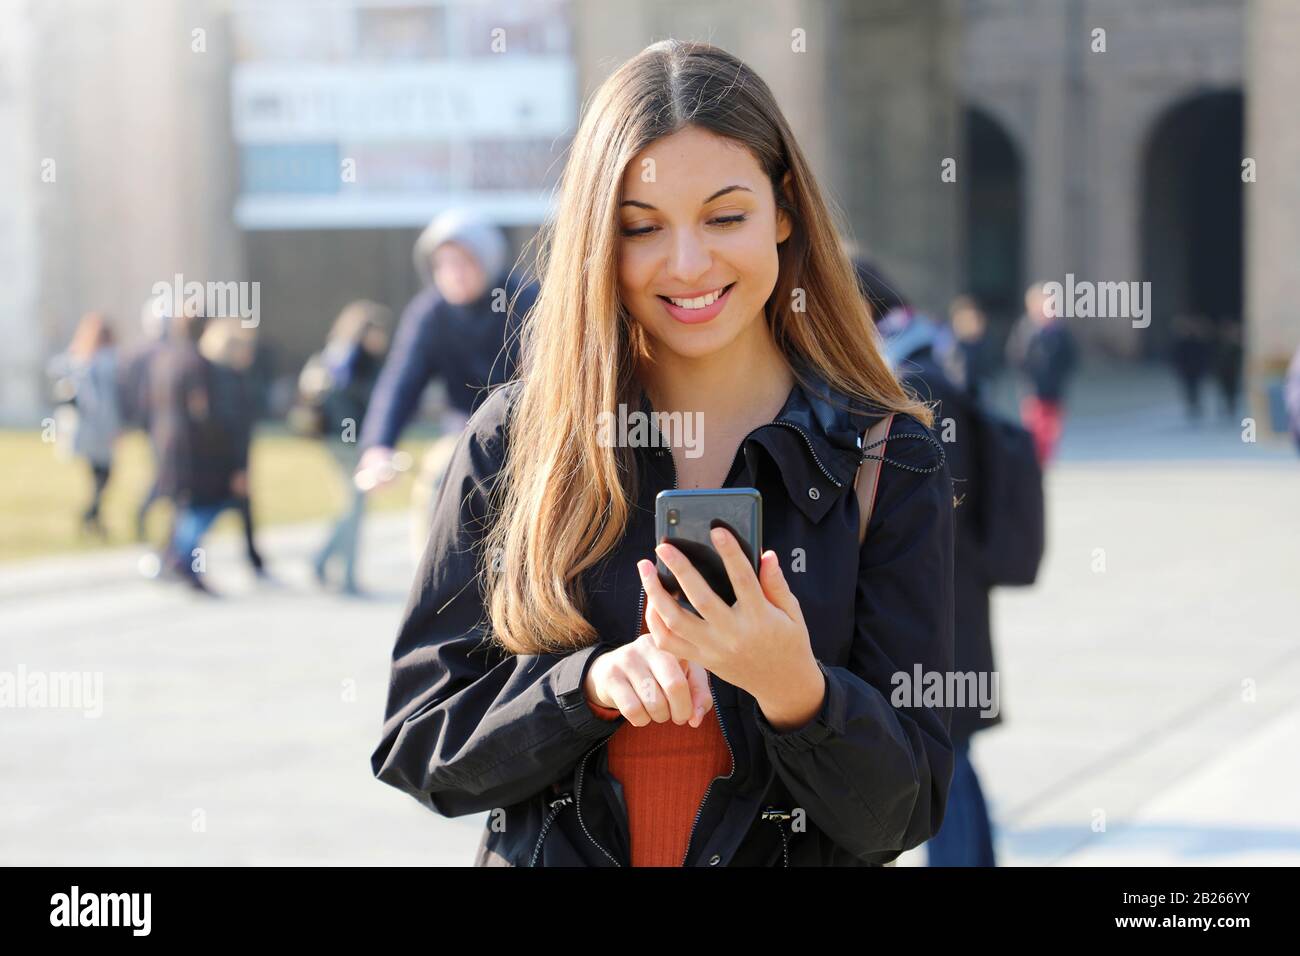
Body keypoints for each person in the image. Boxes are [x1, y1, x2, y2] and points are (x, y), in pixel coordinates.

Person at [371, 40, 956, 867]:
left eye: (725, 217)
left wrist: (796, 689)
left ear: (784, 210)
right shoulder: (518, 440)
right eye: (642, 228)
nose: (687, 264)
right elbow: (423, 745)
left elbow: (905, 812)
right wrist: (587, 689)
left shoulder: (884, 456)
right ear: (596, 241)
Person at [856, 262, 1000, 867]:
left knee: (948, 755)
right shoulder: (924, 363)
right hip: (946, 599)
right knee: (954, 755)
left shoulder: (917, 381)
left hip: (943, 601)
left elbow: (944, 506)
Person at [354, 208, 538, 557]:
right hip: (463, 432)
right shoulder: (429, 314)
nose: (453, 274)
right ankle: (433, 579)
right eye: (443, 265)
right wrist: (379, 446)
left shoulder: (526, 300)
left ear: (487, 261)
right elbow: (400, 383)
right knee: (438, 482)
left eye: (464, 262)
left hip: (530, 433)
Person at [302, 300, 392, 594]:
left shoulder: (350, 356)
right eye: (377, 333)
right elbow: (343, 400)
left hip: (348, 440)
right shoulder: (348, 358)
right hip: (346, 442)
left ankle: (325, 562)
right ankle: (342, 574)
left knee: (354, 505)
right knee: (355, 505)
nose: (382, 339)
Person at [48, 312, 121, 537]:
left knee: (98, 475)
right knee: (104, 474)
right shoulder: (106, 361)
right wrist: (113, 428)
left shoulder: (78, 358)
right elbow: (102, 402)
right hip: (99, 428)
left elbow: (55, 369)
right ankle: (92, 516)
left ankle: (93, 518)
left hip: (84, 428)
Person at [1006, 281, 1078, 465]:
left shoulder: (1060, 332)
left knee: (1052, 430)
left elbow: (1070, 358)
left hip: (1054, 389)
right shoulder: (1026, 329)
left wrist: (1060, 377)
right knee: (1035, 429)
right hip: (1033, 390)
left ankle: (1044, 461)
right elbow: (1016, 356)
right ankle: (1035, 461)